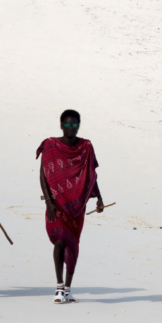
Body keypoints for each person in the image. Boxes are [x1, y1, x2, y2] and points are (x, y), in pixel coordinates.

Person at [37, 109, 104, 304]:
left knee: (72, 246)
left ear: (78, 126)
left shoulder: (86, 146)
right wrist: (49, 202)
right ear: (61, 125)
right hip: (56, 204)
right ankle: (59, 286)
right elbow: (43, 175)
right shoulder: (50, 145)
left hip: (77, 205)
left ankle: (68, 289)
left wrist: (99, 198)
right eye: (67, 124)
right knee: (59, 241)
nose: (71, 127)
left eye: (74, 124)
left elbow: (90, 175)